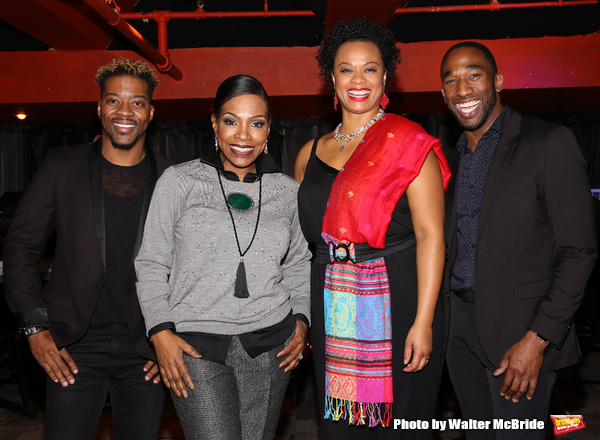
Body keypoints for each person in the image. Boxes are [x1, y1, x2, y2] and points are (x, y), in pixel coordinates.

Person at [294, 18, 451, 439]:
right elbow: (298, 245)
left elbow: (432, 236)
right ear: (332, 77)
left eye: (370, 68)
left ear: (386, 76)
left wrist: (424, 321)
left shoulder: (409, 143)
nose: (358, 79)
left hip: (398, 298)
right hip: (332, 299)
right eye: (346, 69)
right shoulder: (309, 153)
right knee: (340, 423)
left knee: (401, 424)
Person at [3, 58, 172, 439]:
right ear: (99, 108)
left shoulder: (171, 176)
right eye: (114, 100)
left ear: (151, 112)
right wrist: (35, 329)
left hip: (146, 348)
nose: (124, 111)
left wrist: (175, 339)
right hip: (72, 345)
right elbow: (20, 247)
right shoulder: (60, 166)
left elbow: (192, 266)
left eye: (137, 102)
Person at [134, 74, 311, 440]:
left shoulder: (288, 192)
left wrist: (302, 320)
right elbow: (151, 262)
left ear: (268, 130)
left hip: (272, 344)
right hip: (194, 345)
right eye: (231, 121)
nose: (243, 136)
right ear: (214, 124)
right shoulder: (179, 182)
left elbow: (297, 264)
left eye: (256, 123)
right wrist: (160, 332)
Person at [440, 41, 597, 439]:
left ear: (497, 81)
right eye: (451, 81)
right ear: (443, 94)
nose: (463, 90)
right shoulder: (452, 159)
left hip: (520, 335)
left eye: (473, 75)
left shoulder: (547, 142)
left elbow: (578, 252)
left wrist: (538, 338)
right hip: (458, 331)